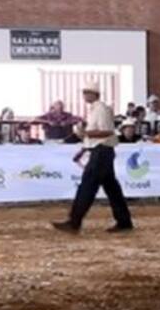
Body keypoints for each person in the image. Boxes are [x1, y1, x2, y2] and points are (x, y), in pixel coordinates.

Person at [52, 82, 132, 234]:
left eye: (86, 92)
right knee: (111, 188)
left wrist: (85, 134)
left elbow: (107, 131)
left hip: (101, 152)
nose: (84, 95)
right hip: (103, 151)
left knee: (87, 186)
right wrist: (84, 147)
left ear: (94, 94)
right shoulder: (96, 109)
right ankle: (124, 221)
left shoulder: (100, 109)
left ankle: (74, 221)